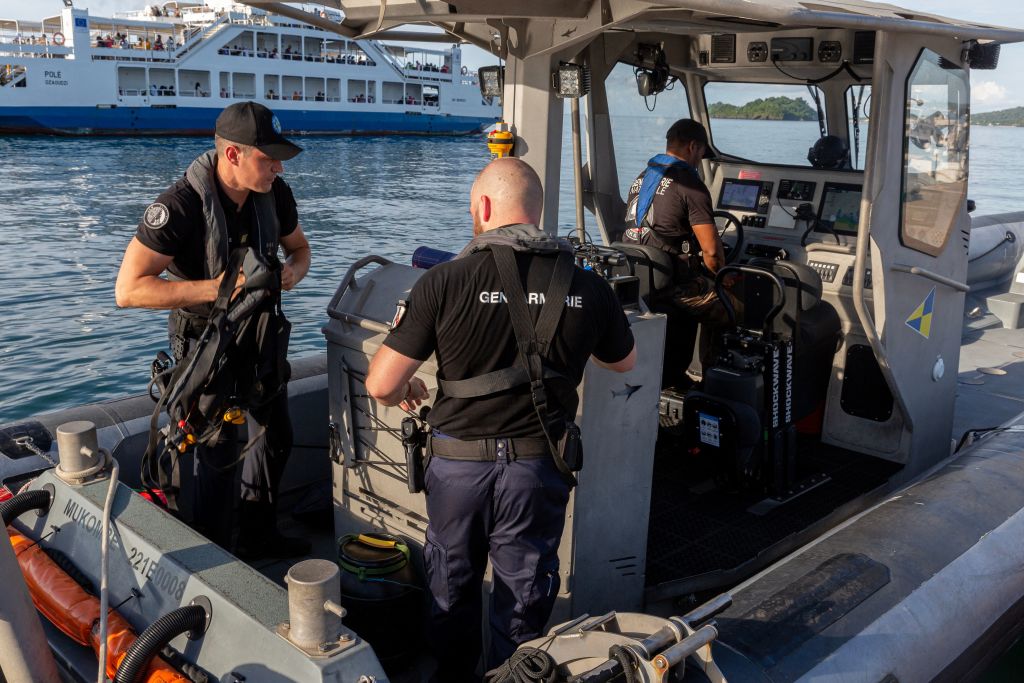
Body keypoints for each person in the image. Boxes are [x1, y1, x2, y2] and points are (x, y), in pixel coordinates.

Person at [365, 158, 636, 682]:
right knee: (524, 594)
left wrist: (409, 386)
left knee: (451, 586)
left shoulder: (443, 282)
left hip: (458, 470)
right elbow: (623, 361)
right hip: (538, 469)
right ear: (537, 211)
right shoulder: (588, 286)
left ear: (484, 208)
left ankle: (453, 675)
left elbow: (380, 385)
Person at [114, 102, 311, 559]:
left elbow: (300, 250)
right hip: (205, 349)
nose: (279, 167)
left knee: (275, 435)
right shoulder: (179, 205)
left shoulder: (276, 195)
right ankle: (219, 561)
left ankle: (260, 536)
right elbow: (128, 290)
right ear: (233, 155)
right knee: (216, 455)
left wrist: (293, 273)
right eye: (269, 158)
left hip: (259, 341)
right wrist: (221, 288)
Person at [622, 117, 728, 377]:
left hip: (638, 279)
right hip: (674, 288)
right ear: (693, 147)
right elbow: (712, 253)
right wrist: (723, 278)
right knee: (729, 306)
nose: (701, 159)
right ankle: (711, 380)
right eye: (702, 153)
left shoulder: (642, 177)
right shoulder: (690, 185)